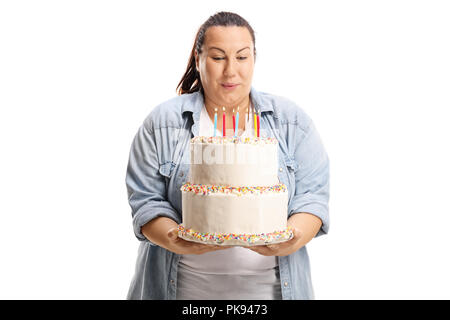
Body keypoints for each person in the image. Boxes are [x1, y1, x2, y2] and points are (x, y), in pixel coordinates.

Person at [125, 11, 330, 300]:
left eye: (242, 57)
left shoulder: (291, 122)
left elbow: (313, 197)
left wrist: (290, 238)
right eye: (218, 57)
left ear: (254, 60)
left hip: (269, 293)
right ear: (198, 60)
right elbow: (145, 201)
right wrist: (176, 238)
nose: (231, 71)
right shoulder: (162, 123)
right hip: (184, 293)